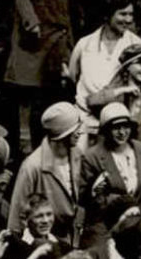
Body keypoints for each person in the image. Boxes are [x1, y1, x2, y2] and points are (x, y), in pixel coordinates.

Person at [6, 0, 79, 152]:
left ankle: (56, 136)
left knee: (59, 85)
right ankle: (25, 142)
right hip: (36, 33)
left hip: (60, 30)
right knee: (28, 87)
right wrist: (31, 22)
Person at [7, 102, 86, 243]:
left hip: (75, 236)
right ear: (62, 134)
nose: (80, 132)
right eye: (75, 128)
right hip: (46, 240)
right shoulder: (33, 166)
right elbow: (17, 216)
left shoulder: (78, 155)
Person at [67, 0, 141, 132]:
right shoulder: (84, 44)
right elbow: (73, 76)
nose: (128, 19)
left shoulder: (137, 46)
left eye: (131, 14)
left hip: (118, 124)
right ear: (108, 15)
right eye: (123, 14)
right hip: (84, 120)